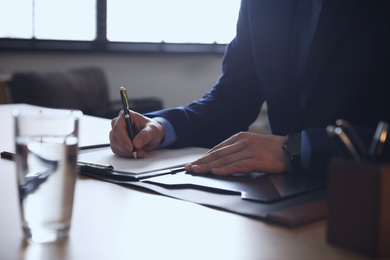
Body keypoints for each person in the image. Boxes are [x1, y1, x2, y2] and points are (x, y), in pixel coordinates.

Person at [110, 0, 390, 176]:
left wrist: (297, 148)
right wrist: (161, 127)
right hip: (279, 197)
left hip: (371, 193)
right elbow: (232, 100)